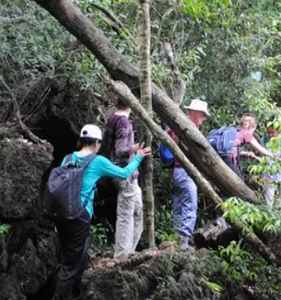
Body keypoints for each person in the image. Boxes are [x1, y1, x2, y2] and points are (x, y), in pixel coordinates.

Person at [52, 124, 151, 300]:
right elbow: (123, 173)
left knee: (77, 259)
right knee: (71, 264)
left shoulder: (67, 159)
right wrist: (138, 157)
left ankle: (75, 295)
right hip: (79, 216)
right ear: (97, 142)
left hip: (61, 215)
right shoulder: (97, 161)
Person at [166, 99, 210, 249]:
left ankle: (175, 238)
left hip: (176, 170)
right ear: (196, 113)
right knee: (190, 204)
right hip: (185, 171)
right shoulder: (188, 128)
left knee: (179, 203)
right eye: (203, 116)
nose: (204, 120)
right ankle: (183, 243)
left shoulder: (176, 125)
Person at [106, 98, 142, 260]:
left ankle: (130, 251)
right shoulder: (123, 122)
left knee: (138, 210)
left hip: (125, 172)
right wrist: (135, 149)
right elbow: (120, 150)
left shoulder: (113, 118)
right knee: (126, 214)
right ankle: (122, 255)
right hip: (124, 172)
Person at [226, 114, 277, 180]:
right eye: (253, 130)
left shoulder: (235, 129)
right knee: (239, 182)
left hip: (221, 153)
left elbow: (232, 147)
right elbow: (259, 148)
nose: (252, 133)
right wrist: (272, 155)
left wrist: (246, 153)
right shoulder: (246, 133)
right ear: (251, 127)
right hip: (228, 158)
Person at [262, 125, 281, 211]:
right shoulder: (265, 139)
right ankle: (268, 210)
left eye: (272, 132)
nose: (270, 135)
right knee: (269, 190)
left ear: (278, 132)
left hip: (280, 168)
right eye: (268, 132)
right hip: (268, 168)